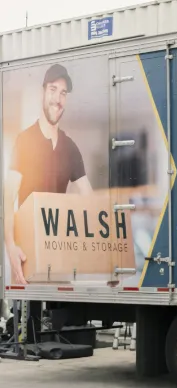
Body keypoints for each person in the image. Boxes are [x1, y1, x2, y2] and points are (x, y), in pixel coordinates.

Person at [3, 63, 94, 284]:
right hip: (28, 258)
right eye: (53, 89)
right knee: (29, 318)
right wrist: (10, 247)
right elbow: (7, 198)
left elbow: (90, 200)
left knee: (57, 315)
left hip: (58, 255)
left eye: (63, 93)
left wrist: (105, 259)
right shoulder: (25, 141)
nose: (58, 98)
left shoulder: (70, 148)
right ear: (43, 92)